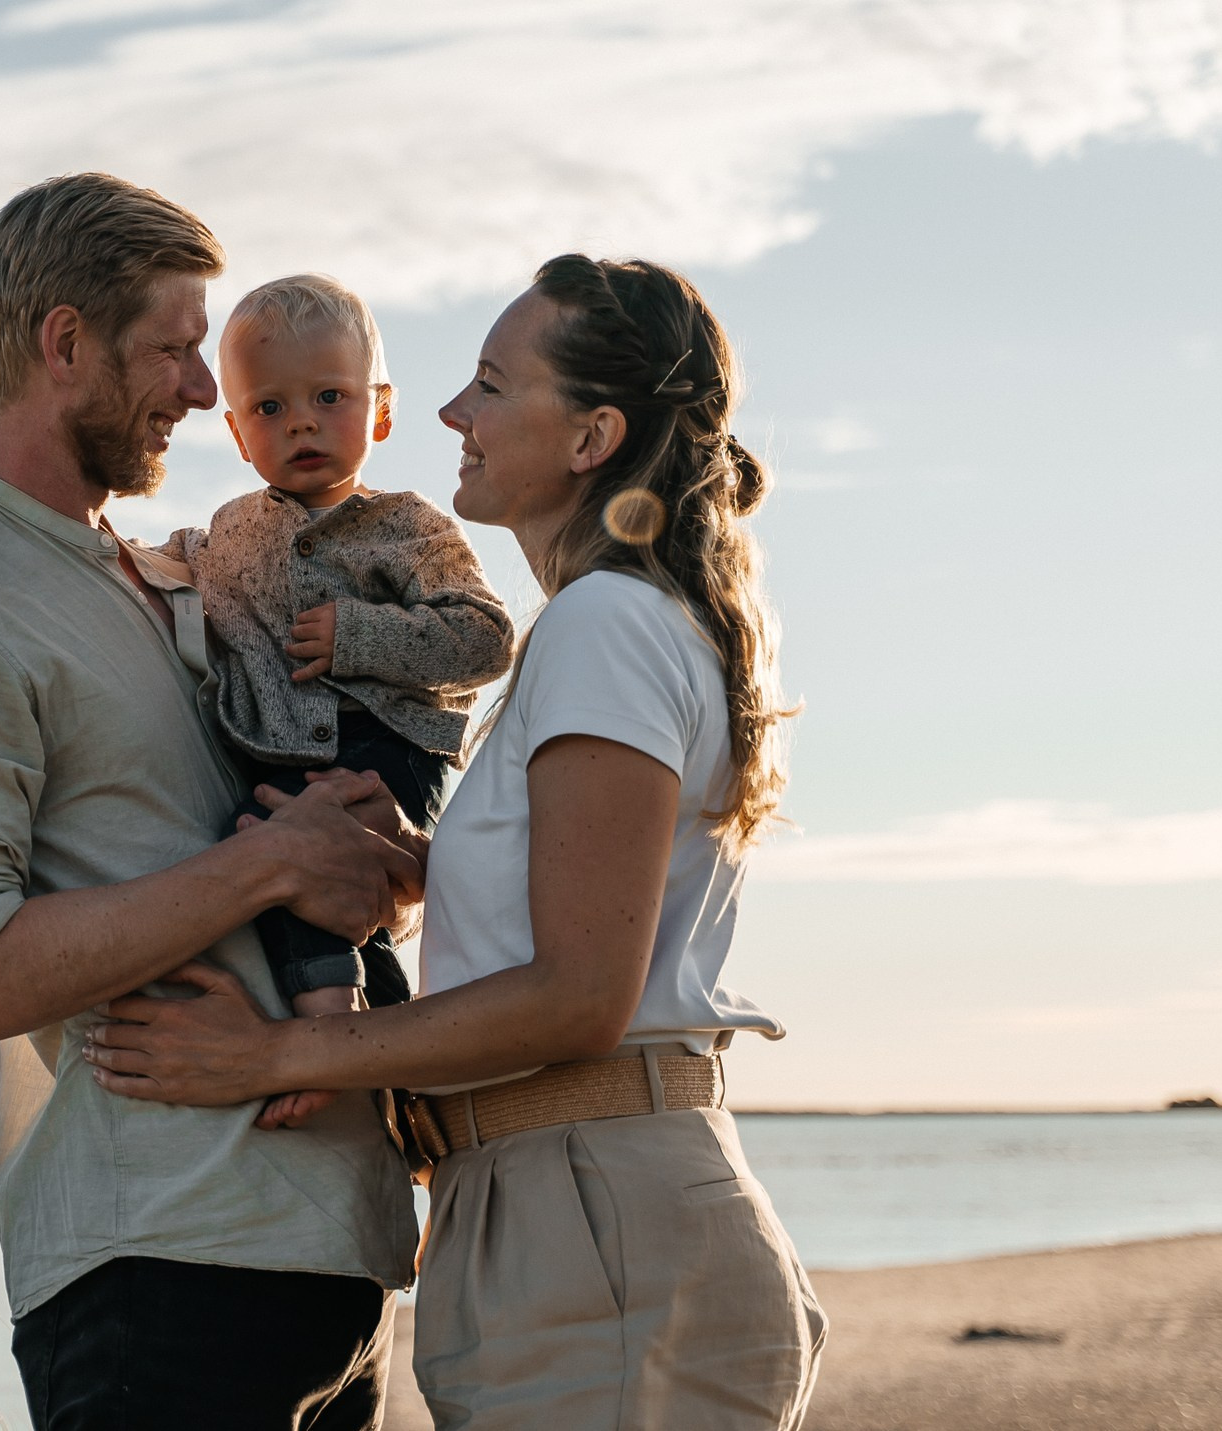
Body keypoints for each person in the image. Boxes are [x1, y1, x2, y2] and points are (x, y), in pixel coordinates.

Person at [83, 254, 831, 1428]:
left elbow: (582, 995)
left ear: (591, 438)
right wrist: (417, 871)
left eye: (488, 383)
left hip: (596, 1223)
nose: (447, 414)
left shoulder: (605, 623)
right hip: (563, 1210)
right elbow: (584, 912)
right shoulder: (612, 624)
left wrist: (273, 1055)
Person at [0, 173, 424, 1430]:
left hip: (332, 1253)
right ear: (64, 343)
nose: (205, 391)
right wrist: (270, 868)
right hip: (156, 1273)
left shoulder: (190, 578)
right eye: (171, 347)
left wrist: (375, 855)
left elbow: (307, 847)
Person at [159, 273, 512, 1130]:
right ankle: (402, 1084)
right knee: (267, 852)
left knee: (297, 857)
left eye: (329, 396)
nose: (303, 422)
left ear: (380, 412)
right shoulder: (234, 528)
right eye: (271, 409)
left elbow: (486, 636)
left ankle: (326, 1041)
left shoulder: (407, 524)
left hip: (389, 748)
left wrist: (362, 635)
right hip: (286, 746)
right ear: (239, 434)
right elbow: (187, 563)